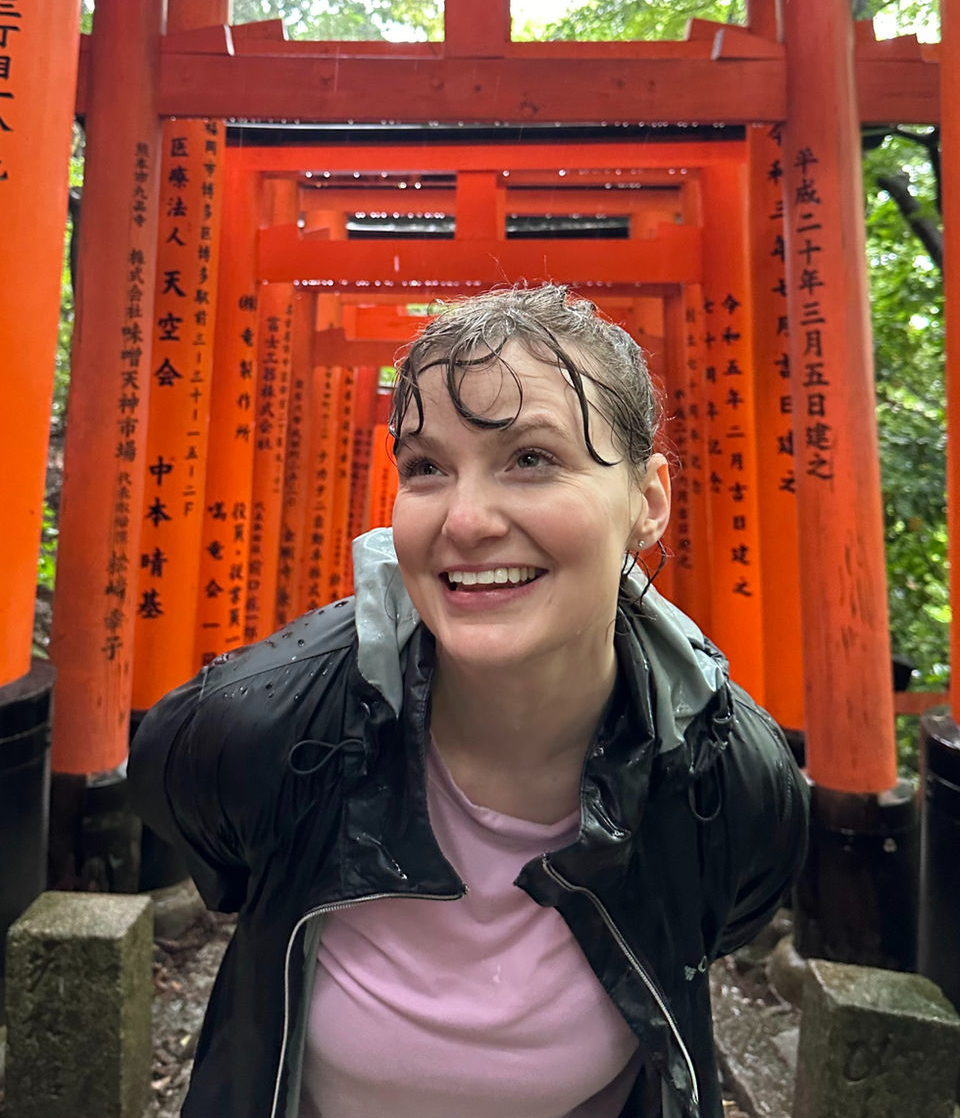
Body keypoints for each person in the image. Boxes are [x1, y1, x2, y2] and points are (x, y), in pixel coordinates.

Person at [129, 284, 808, 1118]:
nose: (467, 518)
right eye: (426, 467)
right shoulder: (263, 730)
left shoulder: (727, 777)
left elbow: (716, 922)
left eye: (531, 458)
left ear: (648, 500)